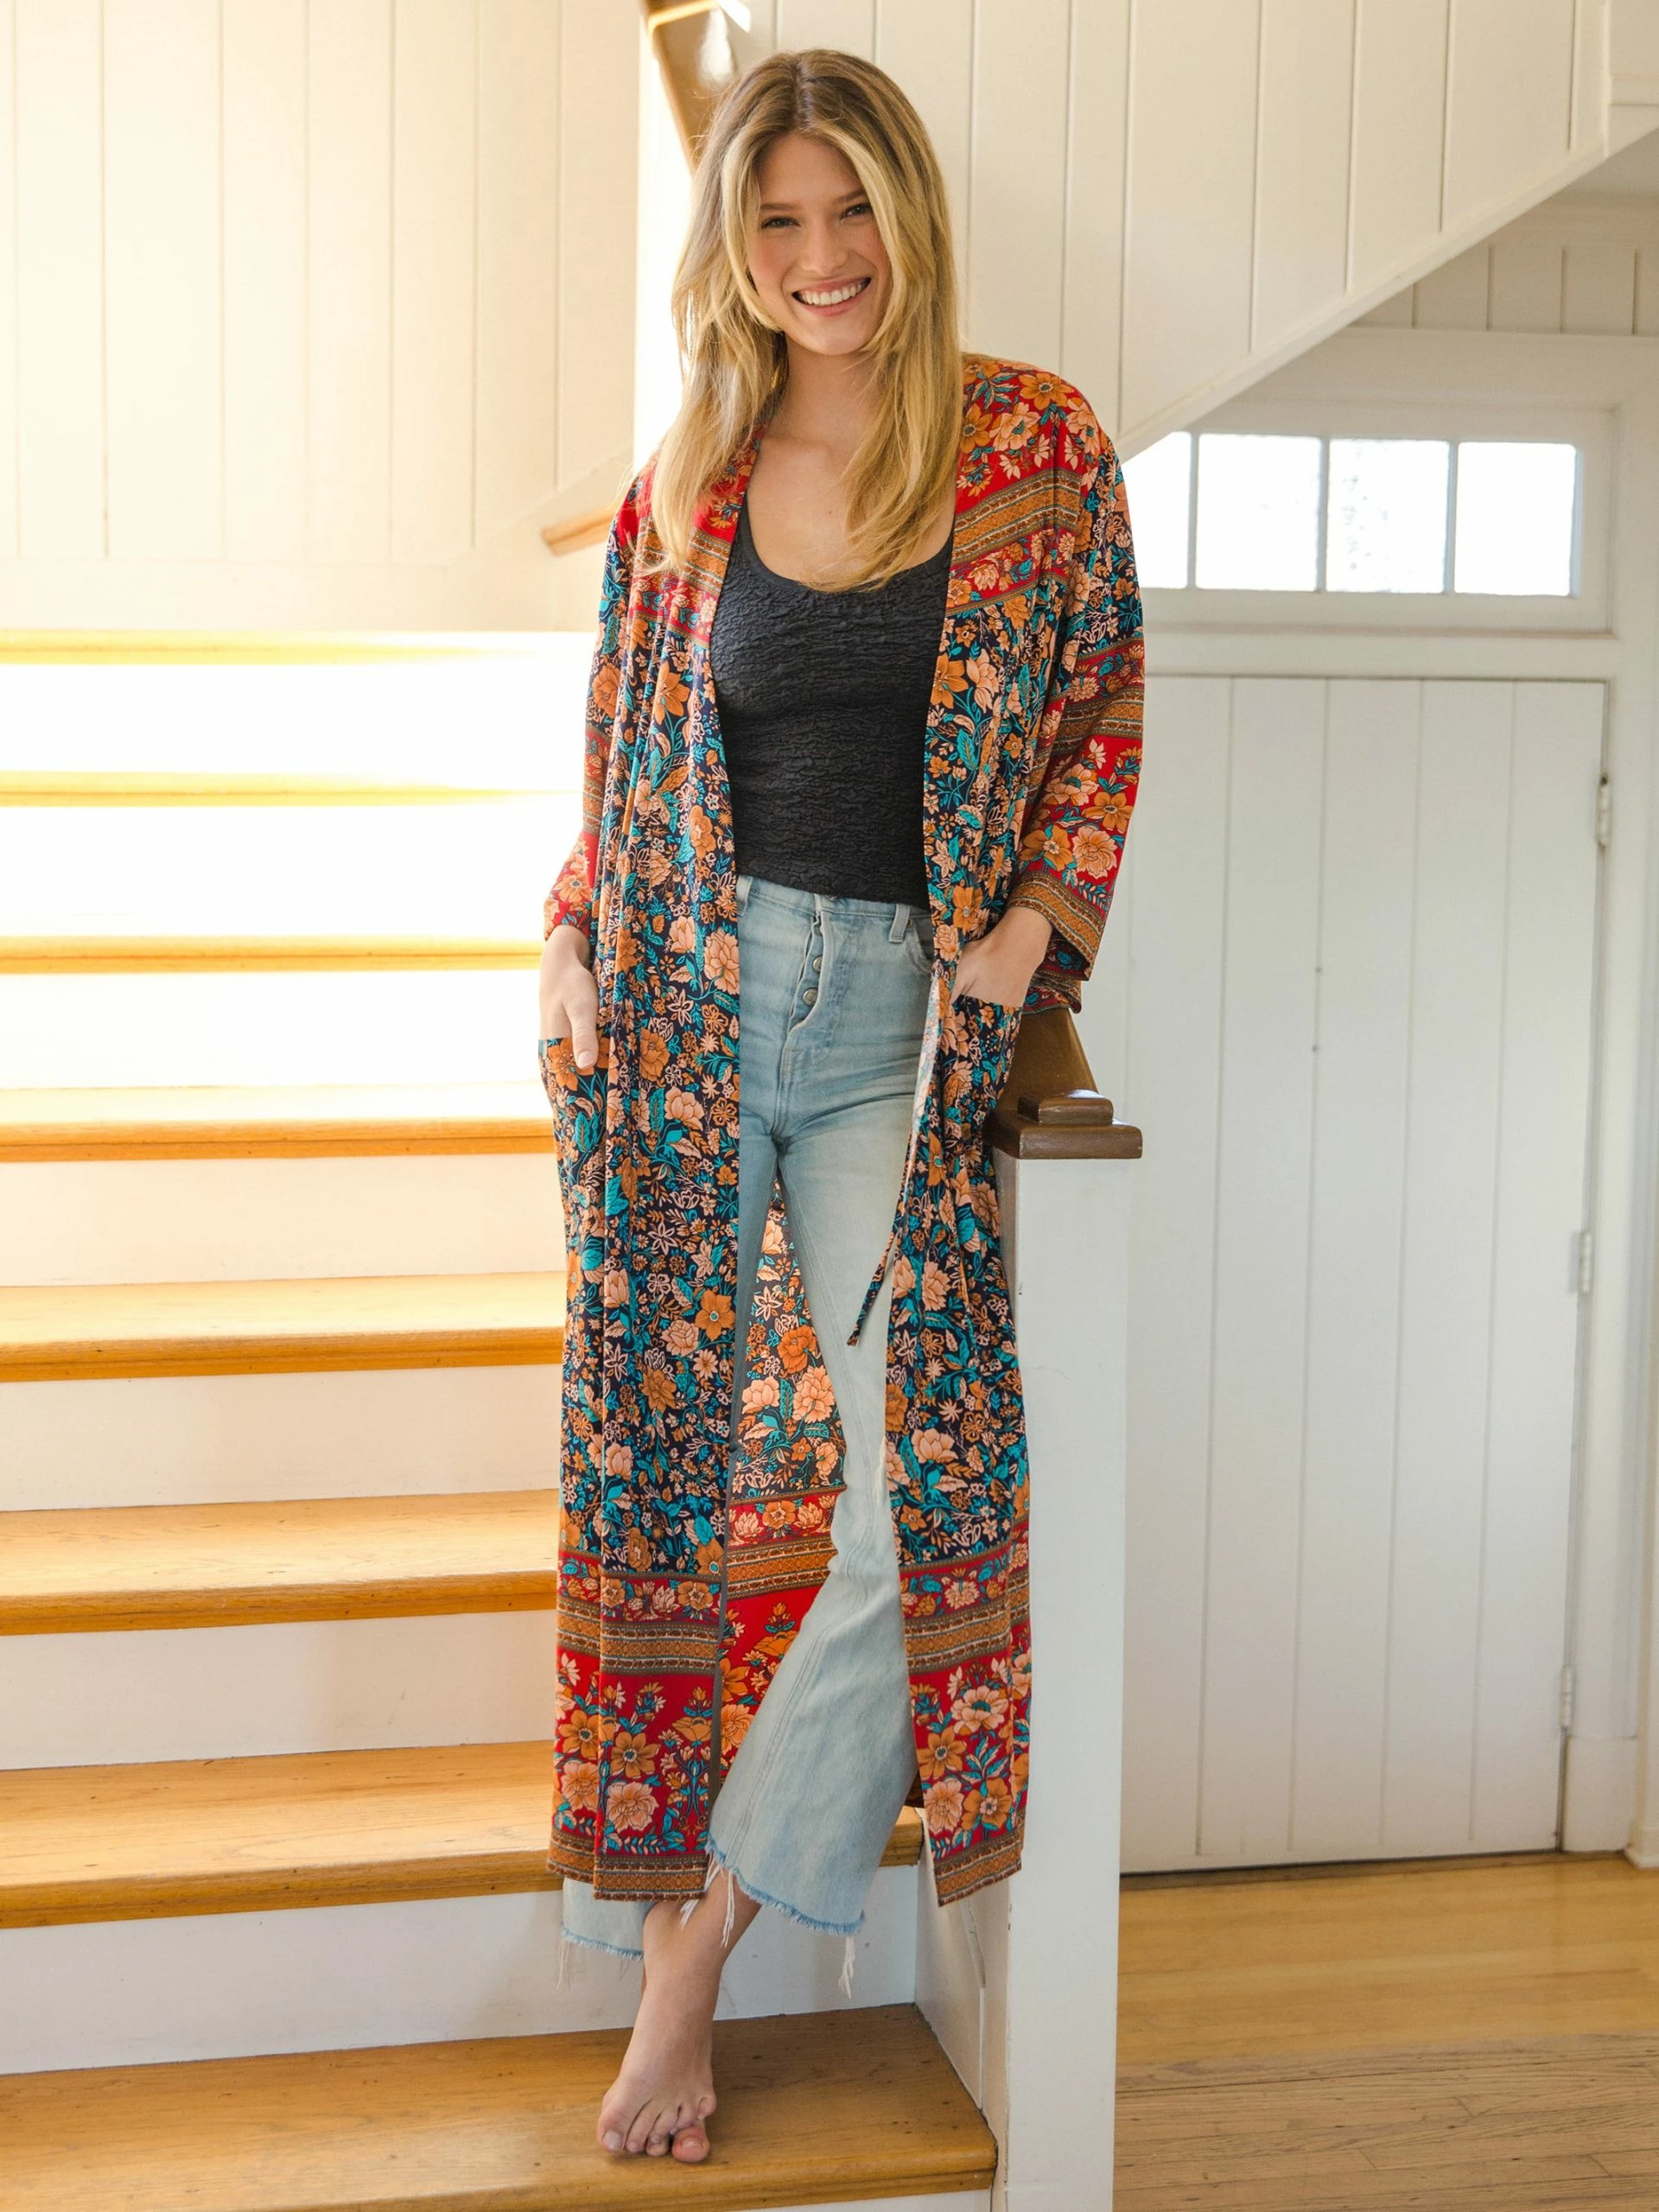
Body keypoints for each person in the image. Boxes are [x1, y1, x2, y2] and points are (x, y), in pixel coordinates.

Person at [537, 45, 1143, 2167]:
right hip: (693, 1017)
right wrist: (567, 933)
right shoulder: (691, 474)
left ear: (911, 208)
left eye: (851, 207)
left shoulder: (1035, 445)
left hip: (900, 1031)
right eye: (778, 220)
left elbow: (1102, 706)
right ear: (735, 250)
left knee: (930, 1510)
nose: (822, 256)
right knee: (657, 1475)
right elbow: (619, 753)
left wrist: (1041, 921)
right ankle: (664, 1909)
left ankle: (697, 1936)